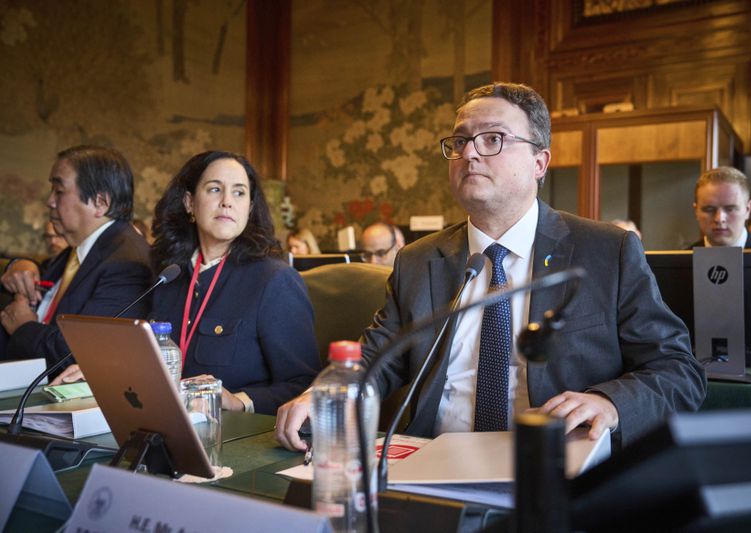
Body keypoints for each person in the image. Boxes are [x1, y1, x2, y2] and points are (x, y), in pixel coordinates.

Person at [276, 82, 706, 452]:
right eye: (460, 141)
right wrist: (327, 394)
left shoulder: (606, 251)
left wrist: (610, 404)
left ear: (540, 163)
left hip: (556, 463)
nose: (469, 154)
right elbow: (380, 359)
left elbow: (678, 371)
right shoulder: (419, 260)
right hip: (435, 458)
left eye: (493, 139)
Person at [55, 151, 321, 415]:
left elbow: (304, 386)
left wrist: (238, 401)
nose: (227, 201)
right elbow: (150, 363)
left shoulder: (275, 280)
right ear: (189, 202)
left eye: (239, 193)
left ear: (249, 209)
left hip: (233, 438)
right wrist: (104, 370)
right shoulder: (169, 275)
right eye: (215, 189)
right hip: (161, 424)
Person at [0, 145, 152, 366]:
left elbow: (81, 351)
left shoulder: (127, 263)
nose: (49, 201)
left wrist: (23, 327)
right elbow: (40, 279)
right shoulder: (80, 249)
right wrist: (19, 264)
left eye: (59, 191)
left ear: (100, 202)